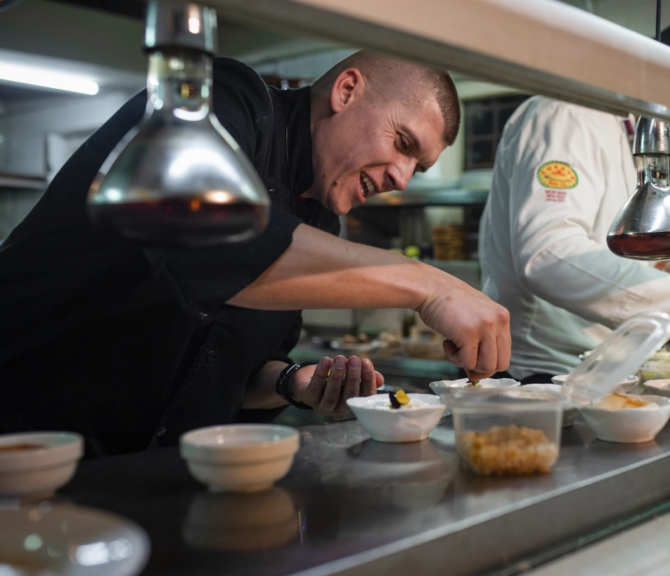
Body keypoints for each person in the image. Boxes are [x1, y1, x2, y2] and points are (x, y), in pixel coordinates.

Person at [0, 51, 511, 457]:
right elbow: (202, 246)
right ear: (347, 90)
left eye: (416, 168)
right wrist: (428, 284)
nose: (400, 177)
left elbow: (232, 365)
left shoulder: (317, 219)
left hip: (138, 474)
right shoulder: (223, 99)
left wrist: (292, 383)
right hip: (24, 439)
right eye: (402, 142)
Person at [478, 13, 670, 383]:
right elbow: (547, 254)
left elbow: (592, 251)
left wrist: (664, 271)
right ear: (665, 69)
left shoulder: (627, 134)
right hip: (538, 374)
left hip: (598, 367)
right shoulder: (569, 114)